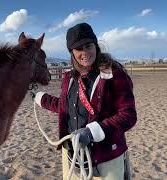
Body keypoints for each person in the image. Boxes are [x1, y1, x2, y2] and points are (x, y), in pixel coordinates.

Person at [34, 22, 137, 180]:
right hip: (73, 154)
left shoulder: (114, 74)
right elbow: (63, 106)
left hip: (107, 155)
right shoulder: (69, 78)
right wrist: (39, 98)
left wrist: (91, 132)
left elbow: (128, 115)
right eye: (78, 48)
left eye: (88, 46)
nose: (84, 52)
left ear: (96, 45)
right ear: (72, 52)